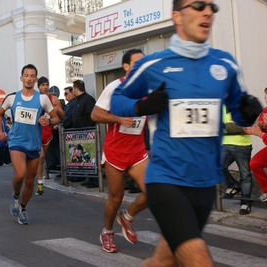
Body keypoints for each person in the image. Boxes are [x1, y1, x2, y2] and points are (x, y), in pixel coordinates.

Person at [110, 1, 262, 266]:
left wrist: (248, 112)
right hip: (167, 180)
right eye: (199, 5)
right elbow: (117, 100)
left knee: (163, 261)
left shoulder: (225, 64)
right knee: (199, 260)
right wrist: (141, 105)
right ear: (177, 16)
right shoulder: (153, 64)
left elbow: (239, 112)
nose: (207, 12)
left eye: (211, 7)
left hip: (204, 184)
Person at [91, 48, 148, 253]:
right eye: (137, 63)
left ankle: (127, 216)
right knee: (116, 197)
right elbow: (95, 114)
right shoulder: (115, 87)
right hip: (115, 152)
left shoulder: (149, 89)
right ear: (126, 67)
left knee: (154, 190)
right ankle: (107, 232)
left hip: (138, 151)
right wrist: (118, 118)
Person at [0, 64, 59, 225]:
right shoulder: (12, 98)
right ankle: (16, 194)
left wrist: (49, 121)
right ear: (21, 78)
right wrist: (0, 132)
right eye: (26, 75)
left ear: (35, 79)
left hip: (34, 144)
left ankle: (22, 208)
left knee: (30, 180)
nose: (29, 78)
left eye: (32, 76)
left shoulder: (43, 99)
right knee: (21, 174)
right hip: (16, 141)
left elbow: (56, 118)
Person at [35, 76, 65, 196]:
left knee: (42, 159)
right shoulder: (35, 98)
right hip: (36, 131)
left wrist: (57, 111)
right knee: (41, 157)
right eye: (43, 85)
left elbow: (62, 116)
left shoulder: (53, 99)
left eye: (47, 84)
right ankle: (40, 184)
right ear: (39, 87)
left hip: (47, 132)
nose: (45, 87)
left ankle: (37, 177)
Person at [221, 106, 253, 215]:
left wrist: (225, 128)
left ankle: (246, 203)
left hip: (242, 145)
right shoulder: (222, 105)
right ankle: (233, 185)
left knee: (245, 175)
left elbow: (245, 127)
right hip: (226, 144)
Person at [70, 80, 97, 187]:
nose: (72, 91)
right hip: (81, 134)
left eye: (73, 89)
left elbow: (92, 116)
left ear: (76, 89)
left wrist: (86, 128)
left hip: (88, 134)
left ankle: (94, 180)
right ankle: (89, 178)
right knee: (84, 158)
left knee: (90, 157)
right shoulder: (78, 100)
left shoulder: (88, 100)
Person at [244, 87, 267, 203]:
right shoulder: (265, 111)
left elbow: (262, 134)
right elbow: (262, 128)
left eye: (266, 96)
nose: (264, 98)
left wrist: (260, 133)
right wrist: (258, 128)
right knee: (255, 163)